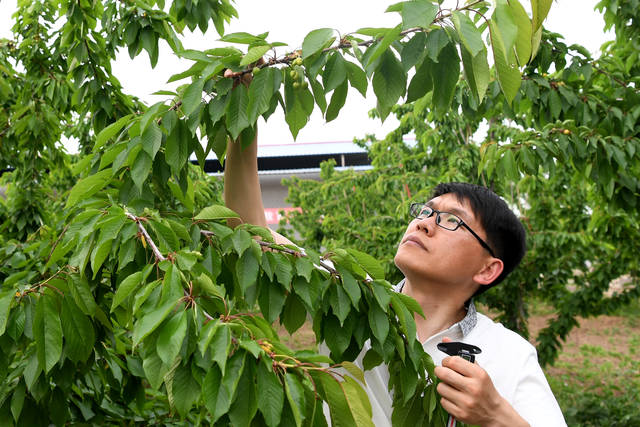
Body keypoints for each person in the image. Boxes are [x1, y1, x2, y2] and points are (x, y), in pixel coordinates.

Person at [222, 72, 565, 427]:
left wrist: (495, 415)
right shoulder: (352, 296)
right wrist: (242, 111)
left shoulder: (508, 354)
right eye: (426, 211)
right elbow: (248, 232)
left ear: (487, 269)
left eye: (451, 220)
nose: (424, 222)